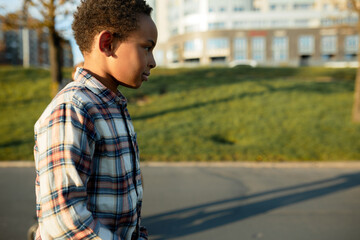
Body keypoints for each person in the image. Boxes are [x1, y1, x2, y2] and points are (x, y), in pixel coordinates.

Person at [33, 0, 157, 239]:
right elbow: (64, 221)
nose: (153, 61)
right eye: (147, 47)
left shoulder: (112, 106)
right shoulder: (73, 109)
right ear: (107, 43)